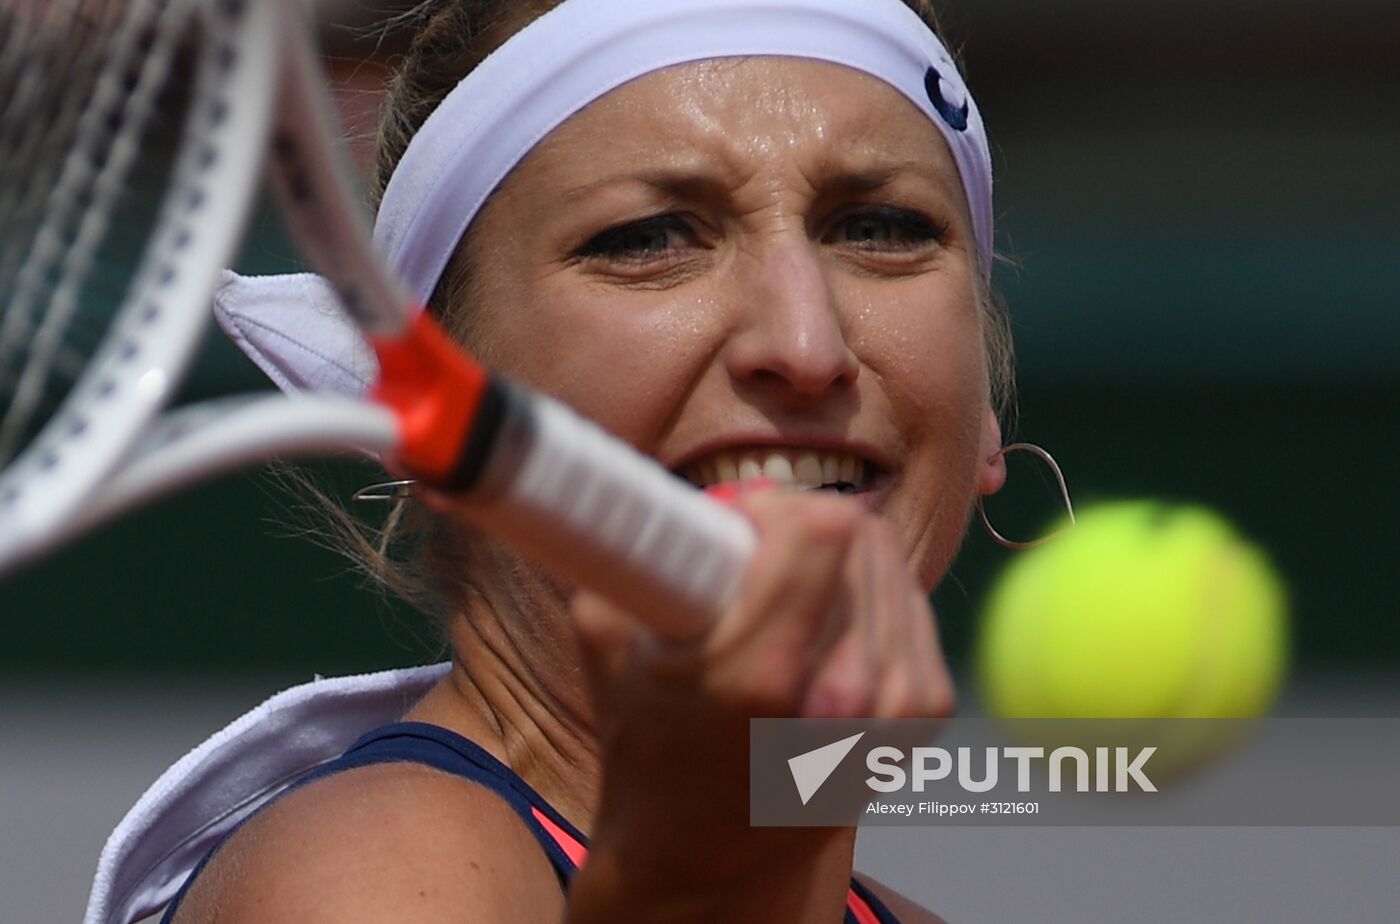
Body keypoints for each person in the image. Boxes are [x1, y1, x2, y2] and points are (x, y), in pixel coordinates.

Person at [95, 0, 1019, 920]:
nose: (808, 344)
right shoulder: (372, 878)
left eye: (883, 228)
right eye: (647, 238)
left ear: (981, 414)